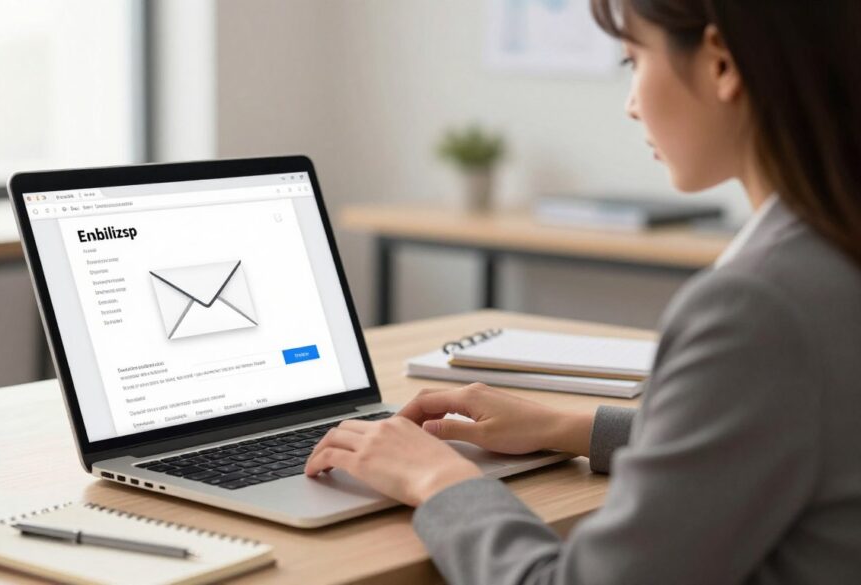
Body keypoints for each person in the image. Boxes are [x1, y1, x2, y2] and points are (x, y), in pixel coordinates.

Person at [305, 1, 861, 582]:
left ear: (721, 63)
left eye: (632, 60)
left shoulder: (756, 308)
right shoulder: (831, 252)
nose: (631, 104)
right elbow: (769, 435)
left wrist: (435, 478)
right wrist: (565, 427)